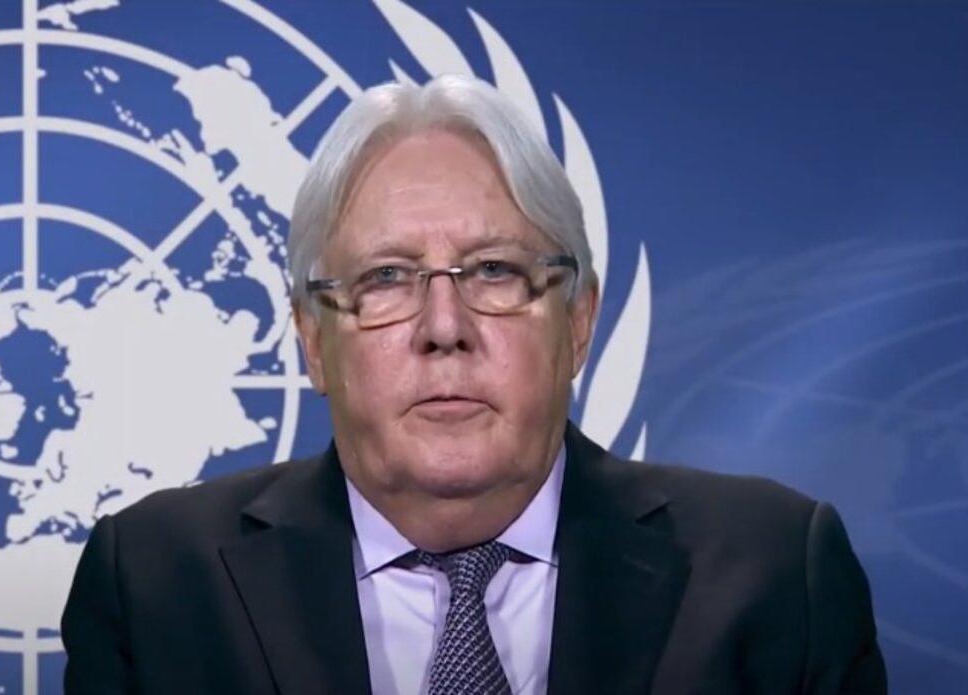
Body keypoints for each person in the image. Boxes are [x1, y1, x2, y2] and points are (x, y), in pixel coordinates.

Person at [61, 74, 886, 695]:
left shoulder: (777, 574)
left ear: (578, 321)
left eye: (495, 270)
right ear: (313, 338)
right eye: (386, 278)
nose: (444, 325)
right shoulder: (158, 583)